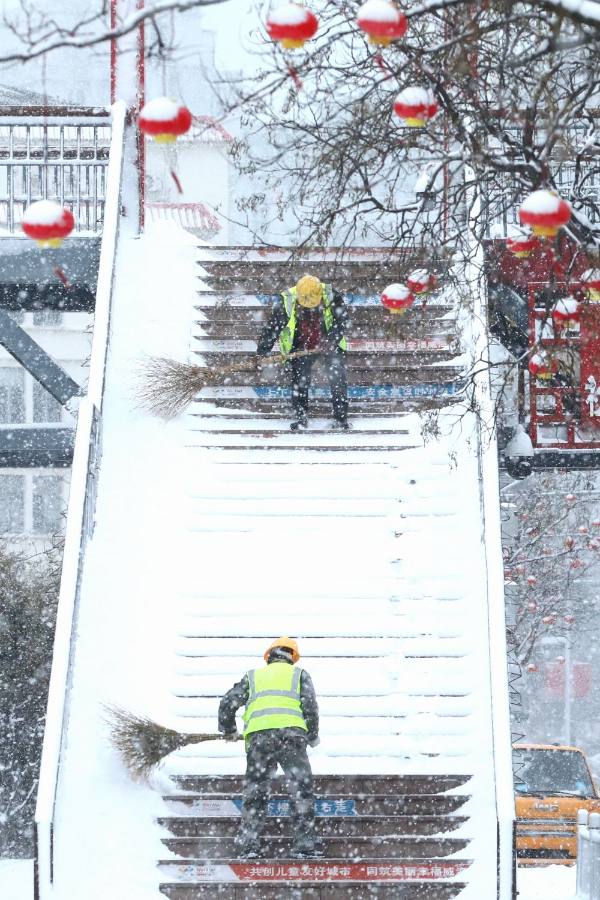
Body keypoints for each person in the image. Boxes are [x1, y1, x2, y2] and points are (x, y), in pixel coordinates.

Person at [218, 637, 321, 859]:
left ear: (270, 656)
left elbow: (228, 702)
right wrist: (312, 734)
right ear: (292, 657)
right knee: (300, 790)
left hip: (259, 740)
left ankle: (249, 845)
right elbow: (310, 707)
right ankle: (304, 845)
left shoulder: (253, 676)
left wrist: (228, 729)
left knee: (256, 791)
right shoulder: (299, 674)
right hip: (292, 738)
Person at [256, 274, 350, 431]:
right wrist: (262, 352)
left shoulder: (331, 295)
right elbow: (272, 328)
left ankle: (341, 419)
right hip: (302, 345)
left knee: (337, 376)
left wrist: (331, 339)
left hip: (328, 344)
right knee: (300, 378)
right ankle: (301, 418)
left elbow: (343, 320)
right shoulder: (287, 300)